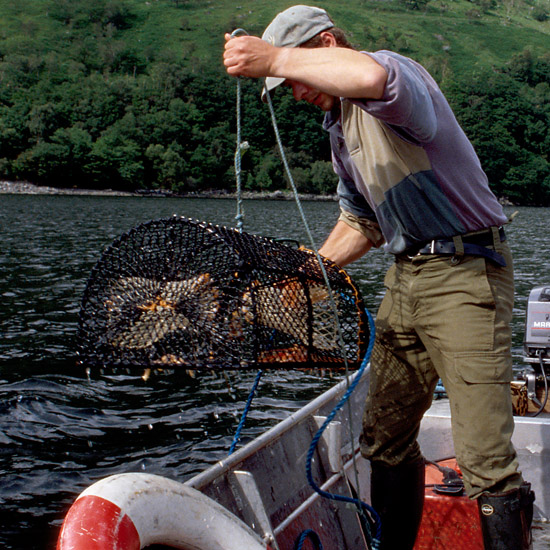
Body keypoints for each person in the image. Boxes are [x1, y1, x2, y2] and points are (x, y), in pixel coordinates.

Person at [223, 5, 534, 549]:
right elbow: (361, 223)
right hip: (407, 278)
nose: (294, 93)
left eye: (292, 78)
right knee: (383, 439)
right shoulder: (340, 128)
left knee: (485, 459)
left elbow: (368, 77)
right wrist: (304, 273)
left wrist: (270, 57)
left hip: (465, 273)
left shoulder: (392, 73)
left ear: (325, 45)